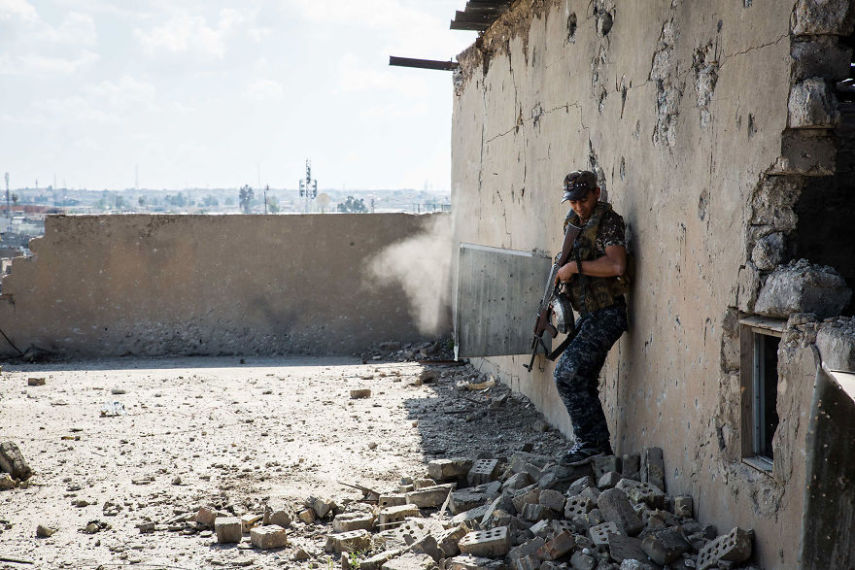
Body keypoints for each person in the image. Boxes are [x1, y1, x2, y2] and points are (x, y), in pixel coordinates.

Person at [554, 170, 629, 463]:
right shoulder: (573, 223)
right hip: (589, 313)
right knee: (579, 377)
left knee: (568, 374)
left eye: (583, 200)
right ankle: (596, 448)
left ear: (597, 193)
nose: (579, 207)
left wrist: (574, 268)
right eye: (573, 202)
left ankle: (591, 445)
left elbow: (617, 265)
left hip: (608, 312)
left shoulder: (608, 221)